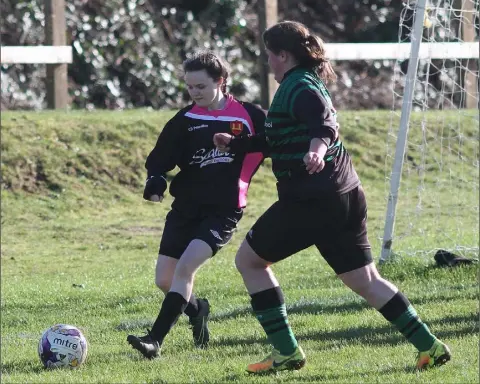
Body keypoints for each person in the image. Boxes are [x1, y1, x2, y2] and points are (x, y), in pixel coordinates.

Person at [213, 21, 451, 374]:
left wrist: (316, 150)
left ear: (283, 55)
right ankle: (429, 345)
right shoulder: (301, 83)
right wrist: (238, 144)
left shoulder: (299, 87)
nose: (267, 62)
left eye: (269, 55)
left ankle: (286, 352)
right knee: (364, 280)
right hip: (345, 195)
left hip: (312, 200)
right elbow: (280, 138)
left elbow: (324, 124)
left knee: (249, 261)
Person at [127, 51, 266, 359]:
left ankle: (154, 340)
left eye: (201, 86)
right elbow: (160, 161)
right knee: (165, 279)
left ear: (221, 81)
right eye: (189, 86)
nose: (194, 92)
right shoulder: (184, 121)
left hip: (224, 209)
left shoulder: (249, 116)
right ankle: (198, 310)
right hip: (186, 208)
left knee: (186, 268)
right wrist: (156, 180)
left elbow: (275, 141)